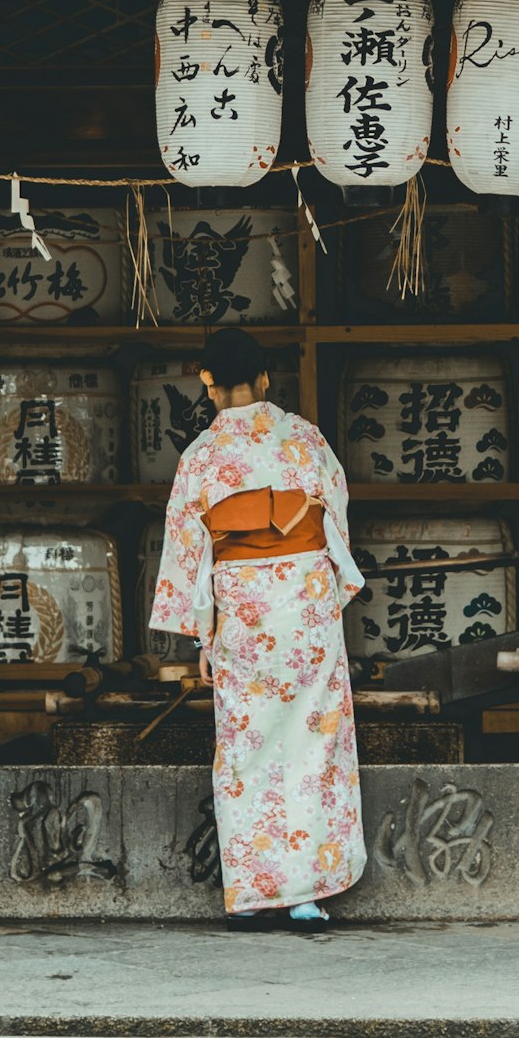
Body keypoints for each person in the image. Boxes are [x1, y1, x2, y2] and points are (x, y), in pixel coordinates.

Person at [149, 328, 367, 930]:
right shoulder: (305, 440)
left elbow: (189, 549)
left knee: (246, 750)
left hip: (244, 611)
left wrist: (202, 630)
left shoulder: (200, 457)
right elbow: (336, 517)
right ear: (267, 379)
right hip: (305, 606)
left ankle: (251, 895)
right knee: (313, 745)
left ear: (208, 384)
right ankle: (306, 896)